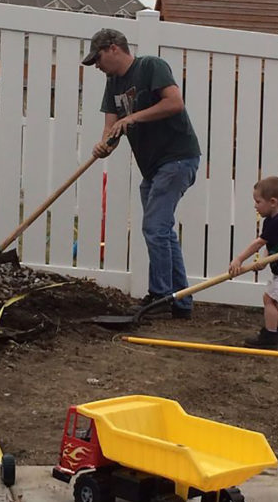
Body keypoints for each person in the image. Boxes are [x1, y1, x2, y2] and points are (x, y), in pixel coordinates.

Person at [83, 28, 201, 319]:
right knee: (163, 233)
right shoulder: (113, 84)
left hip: (177, 159)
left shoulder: (150, 66)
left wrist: (133, 117)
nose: (96, 66)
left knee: (154, 229)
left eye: (97, 59)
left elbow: (175, 103)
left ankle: (159, 297)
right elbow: (111, 130)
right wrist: (103, 146)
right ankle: (181, 301)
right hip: (152, 167)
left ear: (113, 48)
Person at [229, 176, 278, 348]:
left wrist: (239, 259)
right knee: (273, 300)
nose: (255, 205)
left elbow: (259, 243)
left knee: (269, 299)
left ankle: (270, 338)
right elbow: (271, 244)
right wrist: (265, 260)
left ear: (273, 202)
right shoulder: (272, 221)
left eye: (258, 201)